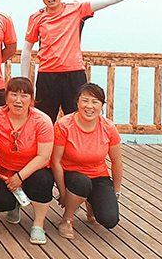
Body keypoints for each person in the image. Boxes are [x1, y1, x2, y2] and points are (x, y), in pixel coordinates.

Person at [21, 0, 157, 122]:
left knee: (78, 119)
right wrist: (25, 81)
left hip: (74, 74)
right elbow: (26, 49)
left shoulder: (76, 9)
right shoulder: (36, 17)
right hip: (47, 75)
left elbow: (109, 0)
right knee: (43, 121)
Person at [0, 77, 54, 245]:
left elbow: (44, 156)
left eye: (24, 96)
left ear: (31, 100)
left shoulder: (42, 121)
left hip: (34, 169)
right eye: (14, 94)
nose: (18, 100)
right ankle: (15, 204)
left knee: (44, 180)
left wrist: (20, 177)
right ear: (6, 97)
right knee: (0, 202)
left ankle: (38, 224)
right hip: (5, 169)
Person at [52, 83, 123, 239]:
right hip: (71, 174)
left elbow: (117, 162)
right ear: (77, 102)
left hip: (98, 175)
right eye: (85, 101)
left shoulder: (108, 127)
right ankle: (67, 219)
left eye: (95, 102)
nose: (89, 106)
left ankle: (90, 202)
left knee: (109, 220)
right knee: (82, 183)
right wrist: (62, 193)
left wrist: (116, 191)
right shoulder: (64, 125)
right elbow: (55, 161)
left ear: (102, 105)